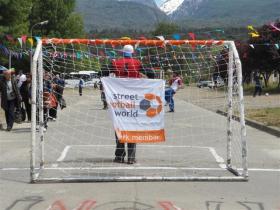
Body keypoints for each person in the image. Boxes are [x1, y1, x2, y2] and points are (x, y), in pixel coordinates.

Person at [102, 44, 147, 164]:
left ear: (122, 53)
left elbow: (102, 72)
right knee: (132, 126)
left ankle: (119, 156)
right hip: (133, 98)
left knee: (119, 126)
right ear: (132, 53)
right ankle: (131, 158)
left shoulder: (115, 63)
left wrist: (111, 82)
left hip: (119, 99)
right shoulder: (137, 63)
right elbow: (151, 74)